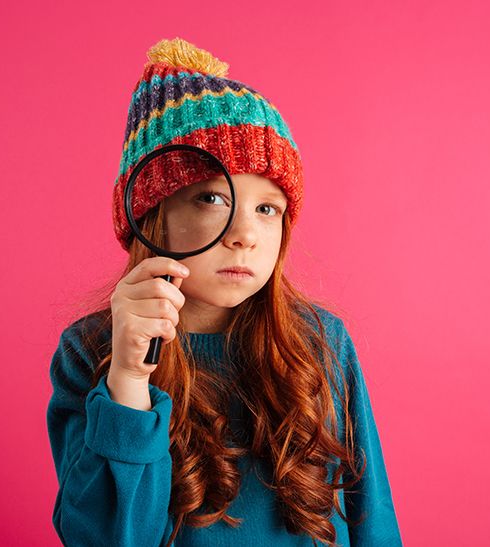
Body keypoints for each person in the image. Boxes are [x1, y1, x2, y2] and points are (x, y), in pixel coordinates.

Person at [46, 37, 403, 547]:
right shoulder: (90, 352)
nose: (246, 234)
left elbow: (373, 514)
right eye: (212, 197)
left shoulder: (322, 342)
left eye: (268, 208)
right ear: (153, 215)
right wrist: (127, 380)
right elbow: (107, 537)